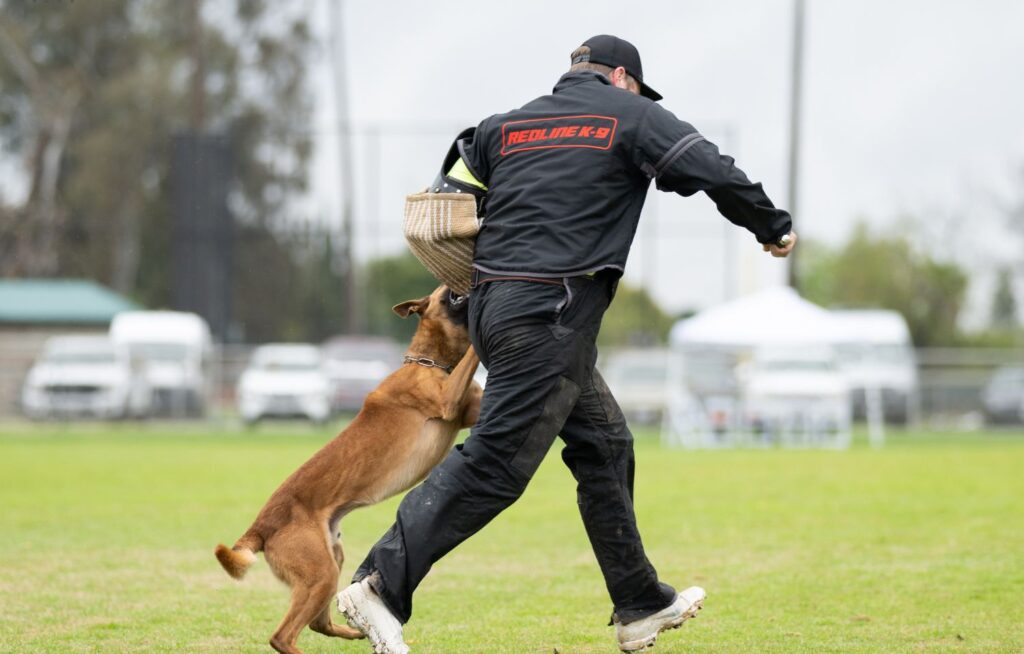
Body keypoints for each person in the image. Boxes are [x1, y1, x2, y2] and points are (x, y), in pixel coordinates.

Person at [337, 34, 797, 653]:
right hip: (551, 311)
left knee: (605, 445)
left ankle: (638, 604)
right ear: (624, 79)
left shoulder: (504, 127)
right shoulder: (630, 115)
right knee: (498, 463)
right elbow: (708, 165)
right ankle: (378, 584)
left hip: (495, 309)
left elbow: (445, 198)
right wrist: (773, 225)